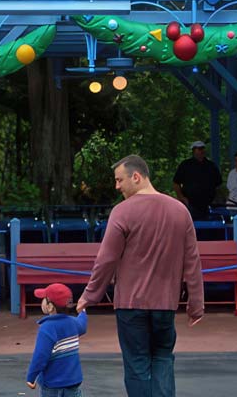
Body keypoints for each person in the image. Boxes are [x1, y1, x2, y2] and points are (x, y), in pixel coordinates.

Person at [77, 154, 203, 397]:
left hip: (130, 304)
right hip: (165, 304)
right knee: (163, 358)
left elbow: (106, 259)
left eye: (119, 180)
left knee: (136, 364)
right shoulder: (180, 211)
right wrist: (196, 304)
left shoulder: (122, 212)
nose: (117, 187)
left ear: (136, 177)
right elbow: (192, 262)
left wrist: (90, 295)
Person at [25, 283, 88, 397]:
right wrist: (82, 311)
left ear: (50, 307)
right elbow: (82, 326)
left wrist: (31, 376)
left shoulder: (47, 328)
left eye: (44, 299)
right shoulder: (73, 322)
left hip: (52, 384)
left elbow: (41, 355)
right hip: (73, 381)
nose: (42, 302)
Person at [172, 141, 221, 220]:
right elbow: (176, 183)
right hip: (190, 204)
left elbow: (218, 184)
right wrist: (181, 197)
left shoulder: (211, 166)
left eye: (202, 149)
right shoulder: (185, 165)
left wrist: (216, 199)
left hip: (208, 204)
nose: (201, 151)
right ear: (193, 150)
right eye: (199, 149)